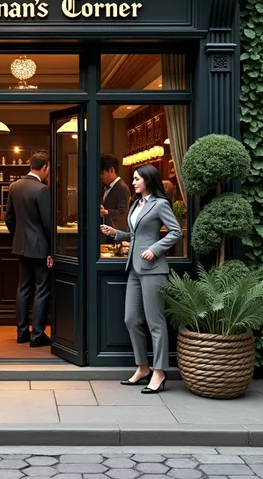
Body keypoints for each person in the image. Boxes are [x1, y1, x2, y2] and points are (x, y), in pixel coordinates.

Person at [100, 164, 182, 394]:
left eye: (137, 179)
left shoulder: (160, 204)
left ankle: (159, 372)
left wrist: (156, 249)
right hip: (135, 268)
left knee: (155, 322)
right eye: (133, 179)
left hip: (154, 269)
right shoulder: (136, 203)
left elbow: (176, 232)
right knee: (131, 319)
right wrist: (116, 234)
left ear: (148, 180)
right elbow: (135, 236)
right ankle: (143, 367)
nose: (133, 182)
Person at [5, 151, 53, 347]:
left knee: (23, 289)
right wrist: (51, 249)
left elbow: (9, 218)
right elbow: (48, 223)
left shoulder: (14, 186)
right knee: (41, 290)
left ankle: (22, 332)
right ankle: (37, 335)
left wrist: (19, 237)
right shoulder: (42, 189)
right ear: (45, 168)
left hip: (21, 246)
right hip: (40, 247)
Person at [100, 154, 131, 237]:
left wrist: (106, 212)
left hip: (116, 234)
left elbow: (123, 212)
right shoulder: (105, 187)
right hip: (106, 232)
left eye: (102, 173)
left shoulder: (122, 187)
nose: (100, 176)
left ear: (111, 170)